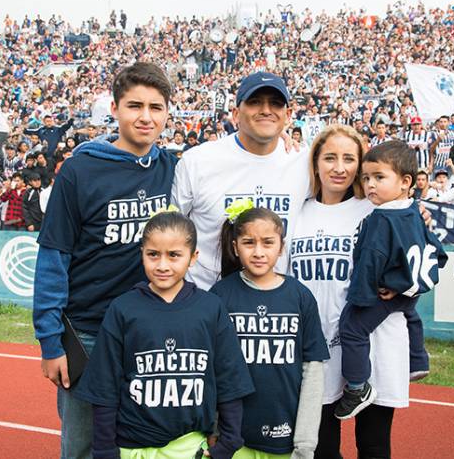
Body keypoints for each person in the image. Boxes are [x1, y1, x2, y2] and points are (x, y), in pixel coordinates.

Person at [33, 62, 178, 459]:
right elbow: (53, 256)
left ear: (168, 112)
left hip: (148, 330)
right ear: (114, 109)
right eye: (135, 105)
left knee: (139, 443)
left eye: (156, 107)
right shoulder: (80, 169)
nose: (145, 117)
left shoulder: (173, 169)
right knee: (82, 446)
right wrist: (50, 342)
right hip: (88, 333)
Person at [73, 211, 254, 459]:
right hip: (131, 447)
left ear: (193, 257)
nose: (162, 265)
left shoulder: (211, 308)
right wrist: (104, 449)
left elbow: (230, 379)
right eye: (153, 254)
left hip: (189, 447)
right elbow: (105, 386)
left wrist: (229, 440)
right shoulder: (123, 309)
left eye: (174, 255)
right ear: (142, 254)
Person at [290, 125, 424, 458]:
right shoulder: (296, 212)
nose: (339, 167)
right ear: (315, 163)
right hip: (315, 344)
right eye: (330, 157)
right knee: (321, 446)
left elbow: (421, 264)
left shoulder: (380, 209)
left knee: (374, 445)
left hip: (374, 340)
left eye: (349, 159)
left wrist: (399, 288)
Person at [335, 141, 447, 419]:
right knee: (410, 312)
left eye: (379, 177)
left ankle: (357, 387)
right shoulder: (413, 210)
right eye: (366, 178)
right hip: (410, 289)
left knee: (351, 328)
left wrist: (362, 297)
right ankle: (418, 360)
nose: (370, 184)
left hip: (386, 291)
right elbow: (438, 252)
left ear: (405, 181)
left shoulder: (381, 218)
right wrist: (411, 287)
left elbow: (370, 260)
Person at [172, 71, 311, 290]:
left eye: (275, 104)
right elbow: (172, 231)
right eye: (255, 102)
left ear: (288, 114)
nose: (266, 110)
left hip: (276, 306)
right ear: (236, 114)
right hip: (208, 301)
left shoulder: (305, 162)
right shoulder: (197, 161)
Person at [211, 204, 329, 458]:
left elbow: (313, 371)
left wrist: (306, 443)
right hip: (233, 438)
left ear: (281, 247)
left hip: (284, 437)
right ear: (235, 247)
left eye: (267, 243)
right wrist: (214, 429)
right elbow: (212, 370)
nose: (258, 252)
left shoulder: (300, 297)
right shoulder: (220, 296)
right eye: (248, 243)